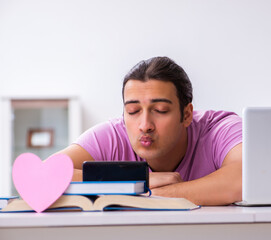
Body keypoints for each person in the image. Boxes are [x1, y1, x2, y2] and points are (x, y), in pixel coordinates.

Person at [57, 56, 243, 206]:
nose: (145, 125)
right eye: (133, 111)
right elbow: (44, 174)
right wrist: (135, 179)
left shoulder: (220, 129)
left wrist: (145, 194)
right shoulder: (112, 135)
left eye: (160, 110)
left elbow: (244, 178)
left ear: (186, 115)